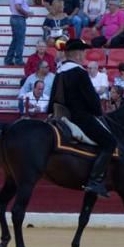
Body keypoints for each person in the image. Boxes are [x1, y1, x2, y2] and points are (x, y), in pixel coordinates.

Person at [49, 39, 115, 197]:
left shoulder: (60, 71)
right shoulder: (79, 72)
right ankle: (94, 181)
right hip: (80, 118)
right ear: (77, 54)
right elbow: (92, 100)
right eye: (83, 52)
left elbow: (53, 99)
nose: (84, 55)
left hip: (61, 116)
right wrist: (98, 112)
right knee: (110, 142)